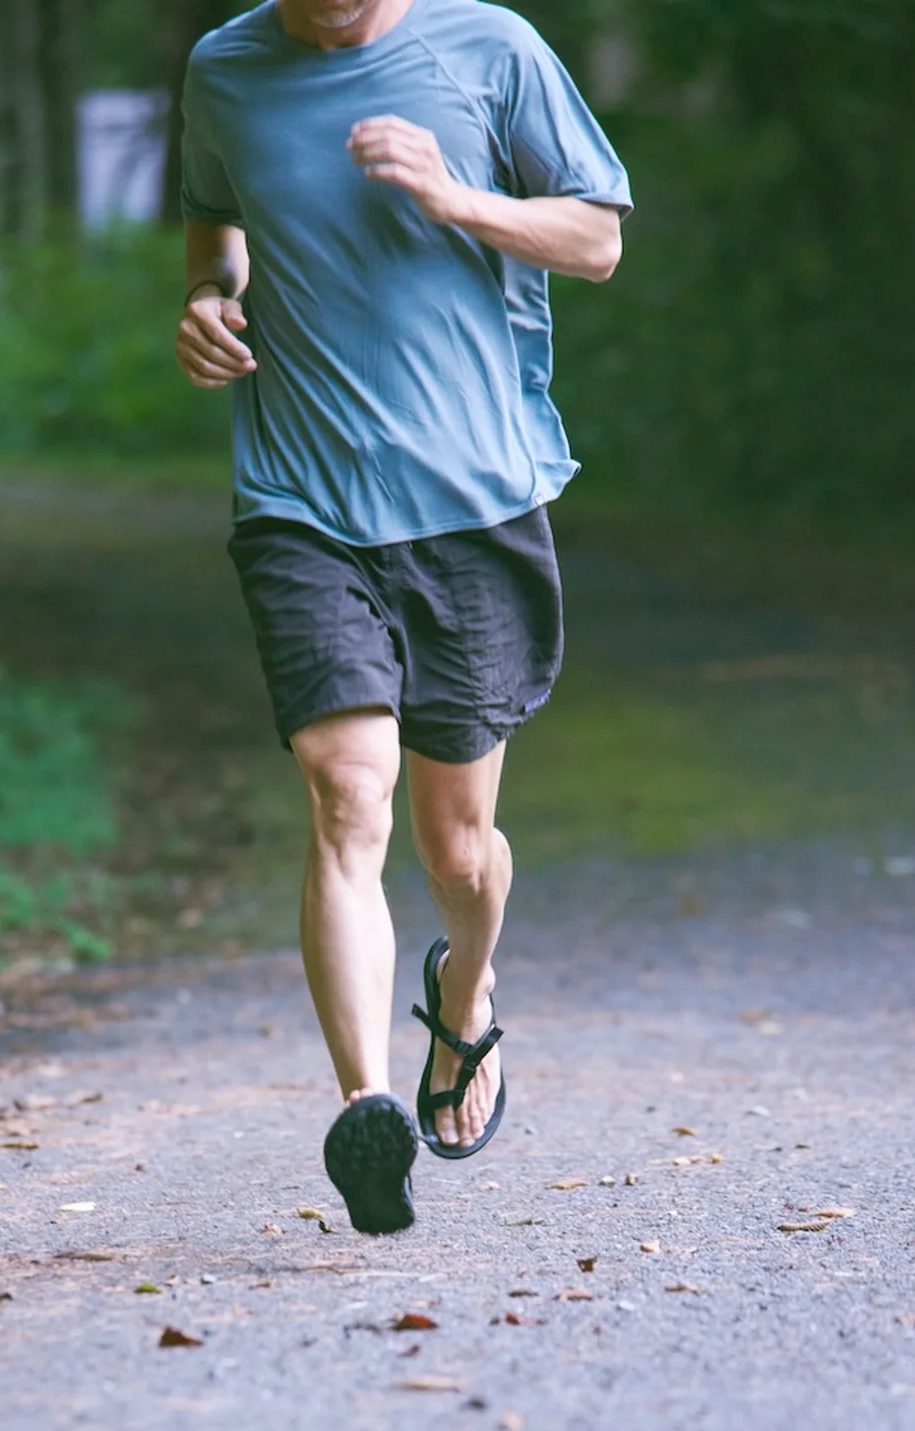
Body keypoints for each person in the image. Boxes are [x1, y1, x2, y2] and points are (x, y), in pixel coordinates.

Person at [176, 0, 630, 1236]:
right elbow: (214, 218)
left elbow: (593, 241)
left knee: (455, 849)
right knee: (344, 787)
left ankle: (465, 997)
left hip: (471, 506)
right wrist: (214, 297)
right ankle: (365, 1107)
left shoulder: (487, 49)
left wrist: (455, 199)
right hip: (299, 500)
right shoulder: (225, 67)